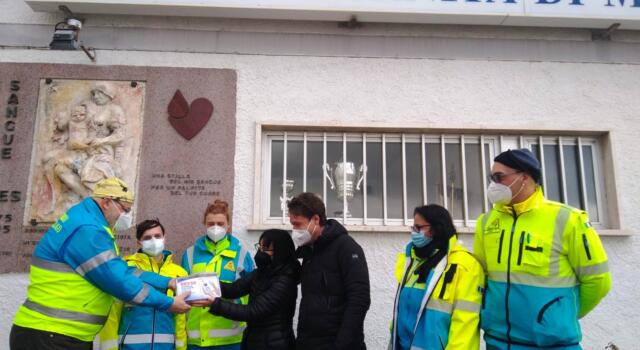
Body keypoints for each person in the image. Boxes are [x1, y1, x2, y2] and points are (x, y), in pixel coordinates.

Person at [10, 177, 191, 350]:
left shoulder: (88, 221)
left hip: (58, 334)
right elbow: (118, 281)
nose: (127, 216)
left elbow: (120, 270)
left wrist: (167, 282)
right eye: (125, 210)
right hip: (50, 333)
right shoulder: (88, 230)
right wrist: (167, 303)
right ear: (106, 203)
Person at [474, 148, 611, 349]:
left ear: (524, 177)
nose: (493, 184)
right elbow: (480, 275)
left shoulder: (568, 219)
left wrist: (558, 315)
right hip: (498, 342)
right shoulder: (486, 222)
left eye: (499, 177)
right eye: (491, 177)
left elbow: (598, 281)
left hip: (552, 344)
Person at [390, 204, 485, 350]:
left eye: (419, 228)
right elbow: (400, 314)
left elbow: (464, 327)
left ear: (436, 229)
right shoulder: (413, 261)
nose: (414, 233)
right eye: (413, 228)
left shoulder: (464, 265)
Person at [287, 192, 370, 350]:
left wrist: (342, 345)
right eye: (292, 224)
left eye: (298, 224)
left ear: (316, 220)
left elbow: (360, 299)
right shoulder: (309, 250)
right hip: (309, 341)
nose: (294, 230)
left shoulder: (346, 247)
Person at [196, 229, 300, 350]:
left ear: (280, 252)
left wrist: (214, 304)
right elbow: (233, 289)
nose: (261, 252)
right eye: (260, 247)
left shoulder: (285, 281)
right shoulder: (261, 273)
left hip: (274, 344)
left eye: (266, 249)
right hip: (255, 341)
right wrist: (204, 284)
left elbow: (252, 312)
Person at [99, 219, 189, 350]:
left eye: (157, 236)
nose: (153, 241)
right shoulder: (126, 267)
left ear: (164, 238)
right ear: (138, 242)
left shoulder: (178, 273)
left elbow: (180, 320)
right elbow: (112, 314)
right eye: (147, 237)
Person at [181, 199, 255, 350]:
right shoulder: (190, 253)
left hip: (231, 338)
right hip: (196, 339)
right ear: (204, 224)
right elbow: (182, 292)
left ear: (228, 225)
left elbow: (254, 290)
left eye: (220, 224)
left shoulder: (241, 253)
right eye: (211, 224)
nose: (215, 227)